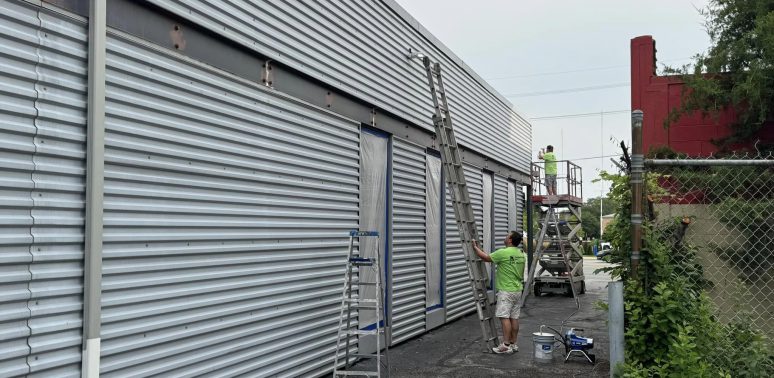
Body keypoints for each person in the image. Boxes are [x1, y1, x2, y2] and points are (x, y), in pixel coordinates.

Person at [472, 231, 527, 354]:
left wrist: (475, 248)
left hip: (506, 291)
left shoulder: (503, 253)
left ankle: (505, 345)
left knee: (504, 317)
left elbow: (486, 258)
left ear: (510, 240)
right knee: (514, 317)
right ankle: (513, 344)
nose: (505, 236)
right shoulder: (520, 254)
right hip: (517, 290)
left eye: (507, 235)